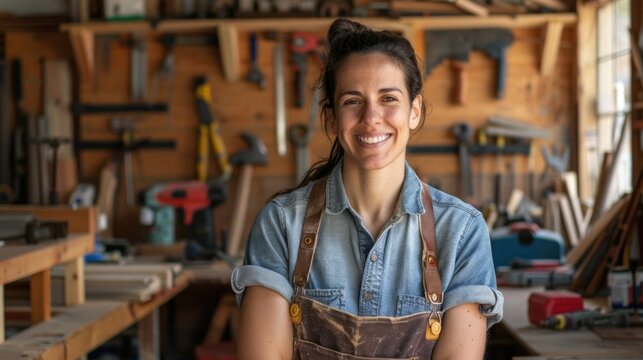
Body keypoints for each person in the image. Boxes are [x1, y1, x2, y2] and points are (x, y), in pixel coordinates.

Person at [231, 18, 503, 359]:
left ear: (414, 111)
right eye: (352, 101)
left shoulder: (461, 232)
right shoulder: (282, 225)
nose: (371, 117)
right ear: (331, 119)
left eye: (388, 98)